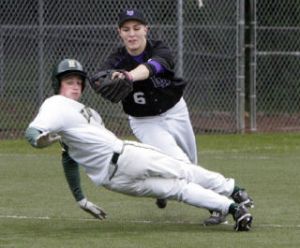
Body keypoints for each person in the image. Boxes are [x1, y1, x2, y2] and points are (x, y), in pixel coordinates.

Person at [25, 58, 254, 231]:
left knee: (180, 178)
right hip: (116, 175)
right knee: (178, 183)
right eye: (68, 82)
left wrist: (80, 198)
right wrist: (37, 140)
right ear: (58, 84)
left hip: (121, 163)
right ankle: (234, 198)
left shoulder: (89, 113)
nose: (75, 86)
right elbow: (34, 131)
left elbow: (68, 156)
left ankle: (234, 203)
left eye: (78, 82)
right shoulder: (55, 104)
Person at [90, 8, 224, 225]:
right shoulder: (116, 58)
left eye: (136, 28)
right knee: (180, 163)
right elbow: (97, 77)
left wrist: (128, 76)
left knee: (191, 163)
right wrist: (102, 80)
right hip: (145, 121)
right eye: (126, 29)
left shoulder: (159, 48)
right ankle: (217, 206)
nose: (132, 34)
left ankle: (164, 188)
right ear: (119, 33)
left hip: (175, 111)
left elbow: (155, 66)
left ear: (146, 30)